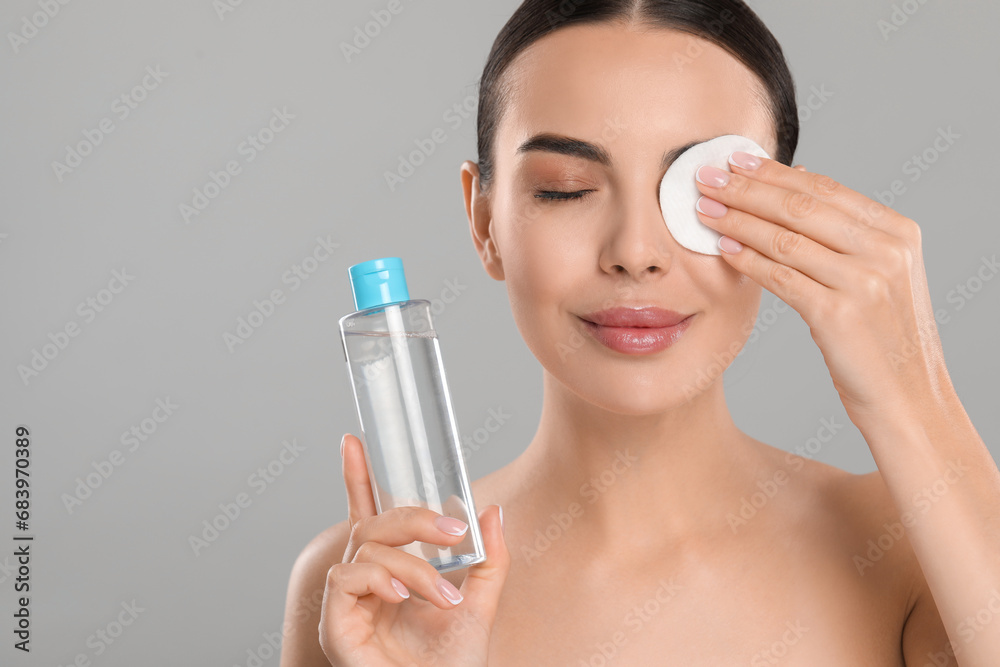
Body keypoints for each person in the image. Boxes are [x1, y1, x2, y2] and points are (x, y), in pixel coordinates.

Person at [281, 1, 999, 664]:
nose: (635, 249)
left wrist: (912, 393)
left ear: (789, 214)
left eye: (697, 193)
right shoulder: (378, 586)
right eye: (566, 187)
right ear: (483, 221)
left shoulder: (911, 545)